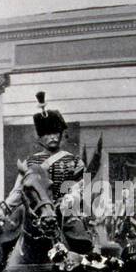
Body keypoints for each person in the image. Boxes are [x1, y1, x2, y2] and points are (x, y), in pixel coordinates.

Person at [25, 91, 89, 252]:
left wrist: (71, 197)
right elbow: (21, 188)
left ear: (61, 135)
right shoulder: (31, 162)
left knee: (81, 238)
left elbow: (80, 186)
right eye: (47, 134)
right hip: (37, 211)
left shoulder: (74, 161)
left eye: (55, 133)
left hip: (64, 209)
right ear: (41, 138)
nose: (52, 137)